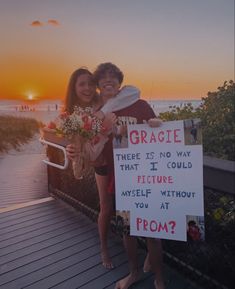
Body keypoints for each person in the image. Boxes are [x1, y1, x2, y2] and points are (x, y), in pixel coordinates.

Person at [93, 62, 165, 289]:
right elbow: (94, 144)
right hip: (119, 176)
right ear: (98, 85)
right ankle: (133, 273)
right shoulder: (101, 113)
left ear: (120, 82)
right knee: (128, 229)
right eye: (103, 77)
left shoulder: (140, 104)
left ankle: (160, 279)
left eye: (113, 77)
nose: (108, 80)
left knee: (152, 232)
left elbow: (158, 130)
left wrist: (157, 124)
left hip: (145, 175)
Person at [64, 67, 140, 269]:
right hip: (103, 164)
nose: (87, 88)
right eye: (82, 84)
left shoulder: (105, 100)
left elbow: (134, 91)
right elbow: (84, 149)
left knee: (131, 206)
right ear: (74, 88)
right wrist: (71, 148)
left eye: (90, 83)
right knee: (106, 208)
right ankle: (104, 248)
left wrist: (102, 113)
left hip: (124, 162)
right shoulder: (78, 114)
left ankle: (146, 252)